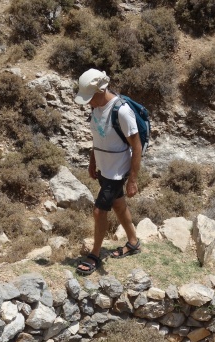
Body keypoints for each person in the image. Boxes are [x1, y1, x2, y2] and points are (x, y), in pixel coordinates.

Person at [73, 68, 142, 276]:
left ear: (101, 90)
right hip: (104, 167)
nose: (87, 102)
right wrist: (93, 161)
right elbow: (98, 137)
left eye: (89, 97)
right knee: (119, 204)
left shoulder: (121, 111)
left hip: (117, 171)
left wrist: (132, 179)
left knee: (99, 210)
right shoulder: (95, 108)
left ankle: (95, 254)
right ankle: (133, 241)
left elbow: (136, 147)